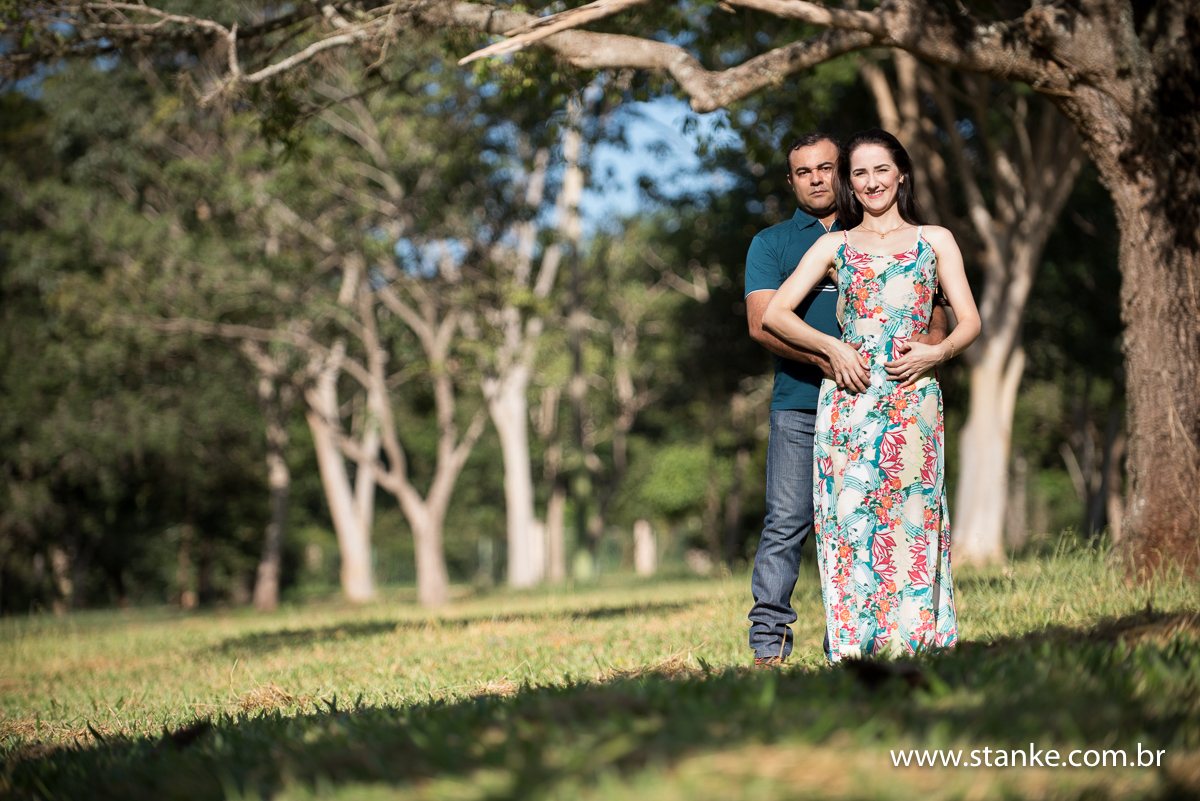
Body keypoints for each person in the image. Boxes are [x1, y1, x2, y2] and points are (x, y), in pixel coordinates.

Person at [762, 129, 981, 661]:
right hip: (849, 400)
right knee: (851, 520)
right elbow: (774, 314)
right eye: (859, 173)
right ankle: (857, 648)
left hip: (914, 398)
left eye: (880, 170)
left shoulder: (936, 239)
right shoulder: (835, 245)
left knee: (913, 518)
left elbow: (970, 321)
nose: (871, 182)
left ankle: (919, 643)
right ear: (850, 184)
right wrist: (831, 350)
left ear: (901, 173)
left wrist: (938, 353)